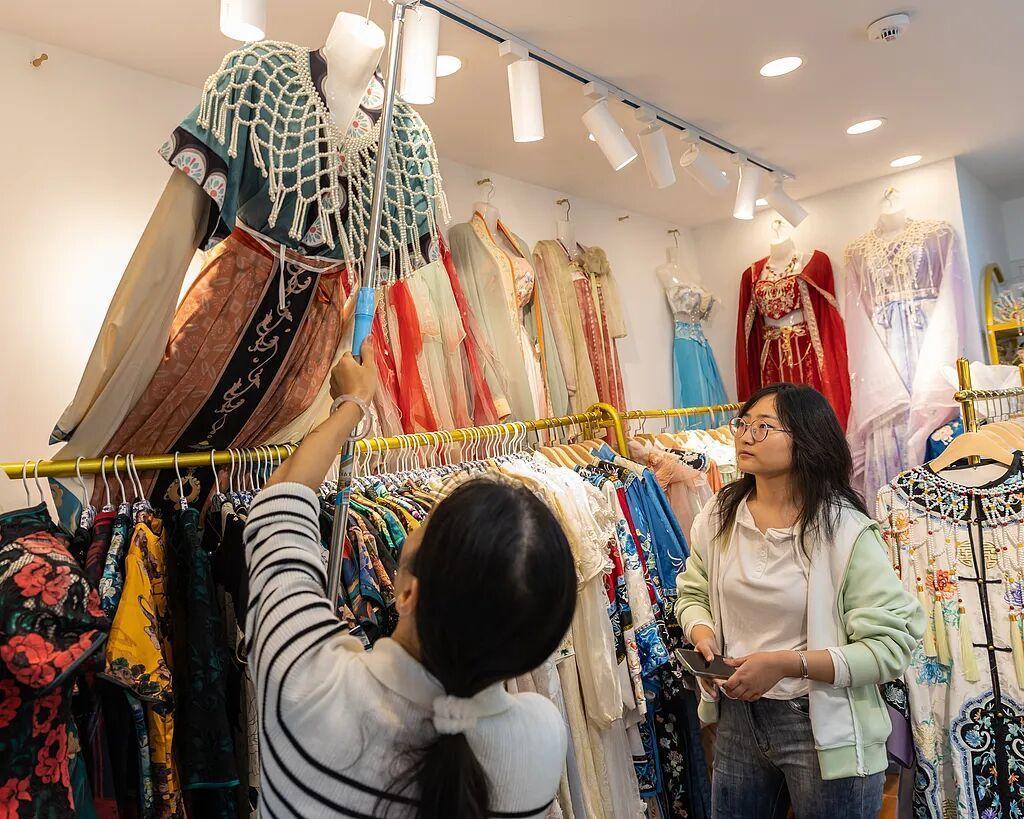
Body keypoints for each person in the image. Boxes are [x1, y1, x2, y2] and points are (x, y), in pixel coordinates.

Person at [245, 341, 577, 818]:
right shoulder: (541, 739)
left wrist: (352, 405)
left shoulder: (308, 686)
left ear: (406, 591)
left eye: (428, 522)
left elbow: (280, 503)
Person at [675, 382, 925, 819]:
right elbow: (693, 591)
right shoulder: (719, 515)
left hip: (821, 722)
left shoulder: (844, 531)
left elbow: (891, 647)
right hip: (738, 718)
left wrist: (787, 664)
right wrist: (702, 633)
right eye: (743, 423)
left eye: (764, 426)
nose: (746, 435)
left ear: (807, 438)